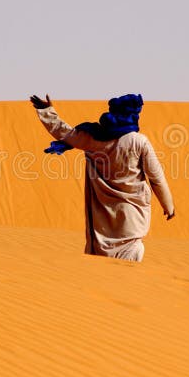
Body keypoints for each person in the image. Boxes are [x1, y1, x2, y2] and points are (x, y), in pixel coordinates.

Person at [30, 93, 175, 262]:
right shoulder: (139, 142)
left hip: (102, 222)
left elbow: (64, 133)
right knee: (131, 269)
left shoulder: (93, 137)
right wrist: (168, 205)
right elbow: (156, 178)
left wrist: (46, 110)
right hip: (132, 219)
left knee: (101, 269)